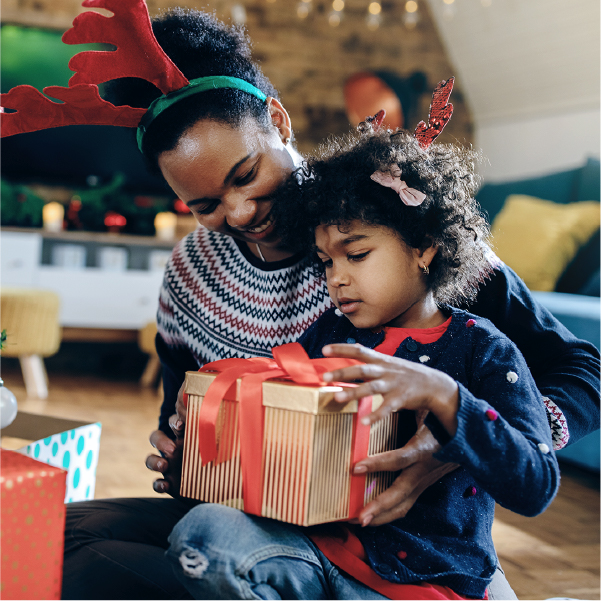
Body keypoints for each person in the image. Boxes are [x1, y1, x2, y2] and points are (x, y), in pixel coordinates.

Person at [53, 7, 599, 601]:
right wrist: (185, 452)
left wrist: (455, 445)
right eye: (204, 203)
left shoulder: (391, 226)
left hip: (412, 551)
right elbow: (179, 416)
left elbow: (585, 372)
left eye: (246, 173)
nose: (237, 213)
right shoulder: (191, 273)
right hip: (269, 530)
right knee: (59, 538)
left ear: (279, 122)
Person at [165, 116, 561, 600]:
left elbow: (536, 484)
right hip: (316, 553)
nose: (336, 278)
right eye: (326, 261)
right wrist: (206, 442)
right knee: (204, 537)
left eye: (356, 255)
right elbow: (279, 435)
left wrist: (447, 398)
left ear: (424, 247)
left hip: (426, 582)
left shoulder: (484, 348)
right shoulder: (330, 333)